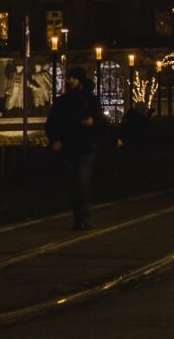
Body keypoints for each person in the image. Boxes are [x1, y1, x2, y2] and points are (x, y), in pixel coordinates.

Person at [45, 67, 104, 229]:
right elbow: (52, 123)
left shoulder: (90, 100)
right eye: (68, 78)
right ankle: (78, 217)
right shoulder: (62, 101)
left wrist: (93, 123)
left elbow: (99, 121)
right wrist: (55, 140)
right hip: (68, 147)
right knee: (74, 184)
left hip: (85, 147)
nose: (69, 81)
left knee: (81, 181)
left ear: (80, 80)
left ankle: (84, 217)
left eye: (73, 78)